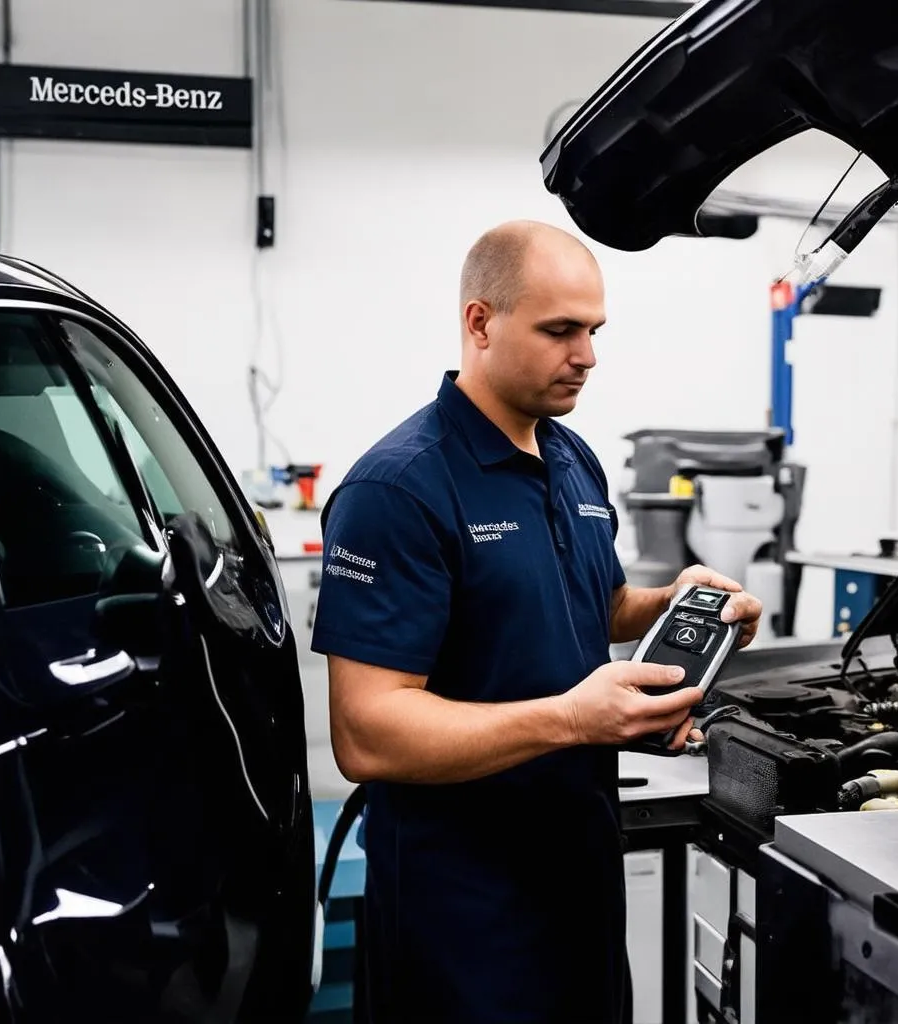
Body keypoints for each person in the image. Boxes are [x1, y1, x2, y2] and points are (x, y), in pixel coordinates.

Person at [310, 219, 762, 1024]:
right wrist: (572, 719)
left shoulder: (571, 458)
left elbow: (594, 607)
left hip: (577, 873)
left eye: (593, 330)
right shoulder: (399, 490)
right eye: (560, 330)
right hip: (460, 909)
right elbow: (366, 733)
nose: (586, 355)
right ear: (480, 322)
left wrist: (680, 608)